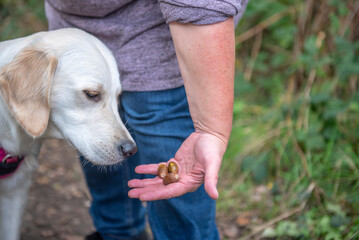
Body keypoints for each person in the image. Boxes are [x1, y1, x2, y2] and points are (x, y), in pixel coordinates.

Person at [44, 1, 248, 239]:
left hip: (162, 40)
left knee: (174, 193)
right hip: (79, 34)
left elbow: (201, 6)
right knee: (104, 152)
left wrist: (211, 131)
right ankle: (117, 232)